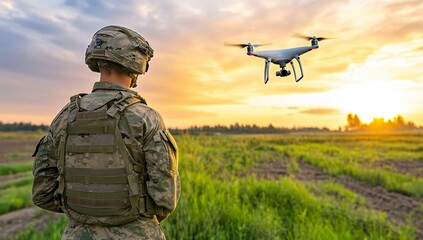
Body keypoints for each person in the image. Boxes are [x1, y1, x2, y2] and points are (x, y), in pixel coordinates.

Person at [32, 25, 181, 239]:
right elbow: (165, 199)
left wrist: (86, 214)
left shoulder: (64, 117)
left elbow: (42, 194)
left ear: (97, 59)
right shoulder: (145, 117)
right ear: (136, 63)